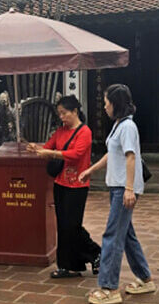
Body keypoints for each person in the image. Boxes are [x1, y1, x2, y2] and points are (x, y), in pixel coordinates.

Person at [78, 84, 155, 304]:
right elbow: (112, 155)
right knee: (126, 235)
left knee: (112, 235)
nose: (104, 107)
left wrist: (130, 189)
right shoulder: (118, 125)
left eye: (106, 103)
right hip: (118, 187)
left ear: (116, 104)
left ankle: (109, 288)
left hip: (124, 188)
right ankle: (145, 278)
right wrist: (90, 170)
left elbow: (131, 157)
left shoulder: (128, 127)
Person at [27, 95, 101, 279]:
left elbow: (75, 154)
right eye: (59, 113)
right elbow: (48, 147)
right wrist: (36, 149)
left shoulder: (85, 132)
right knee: (63, 226)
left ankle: (97, 253)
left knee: (72, 226)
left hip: (78, 184)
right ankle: (68, 266)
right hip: (60, 183)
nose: (61, 117)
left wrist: (49, 152)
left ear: (75, 111)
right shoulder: (60, 131)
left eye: (64, 113)